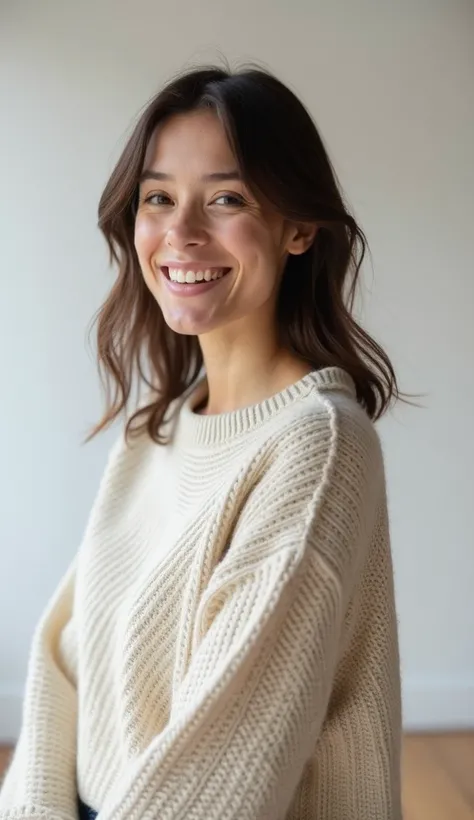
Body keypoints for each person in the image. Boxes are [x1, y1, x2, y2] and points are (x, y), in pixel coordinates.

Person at [0, 63, 405, 819]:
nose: (181, 234)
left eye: (226, 199)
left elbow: (225, 769)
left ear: (298, 227)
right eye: (159, 198)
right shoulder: (158, 431)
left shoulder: (316, 447)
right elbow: (63, 661)